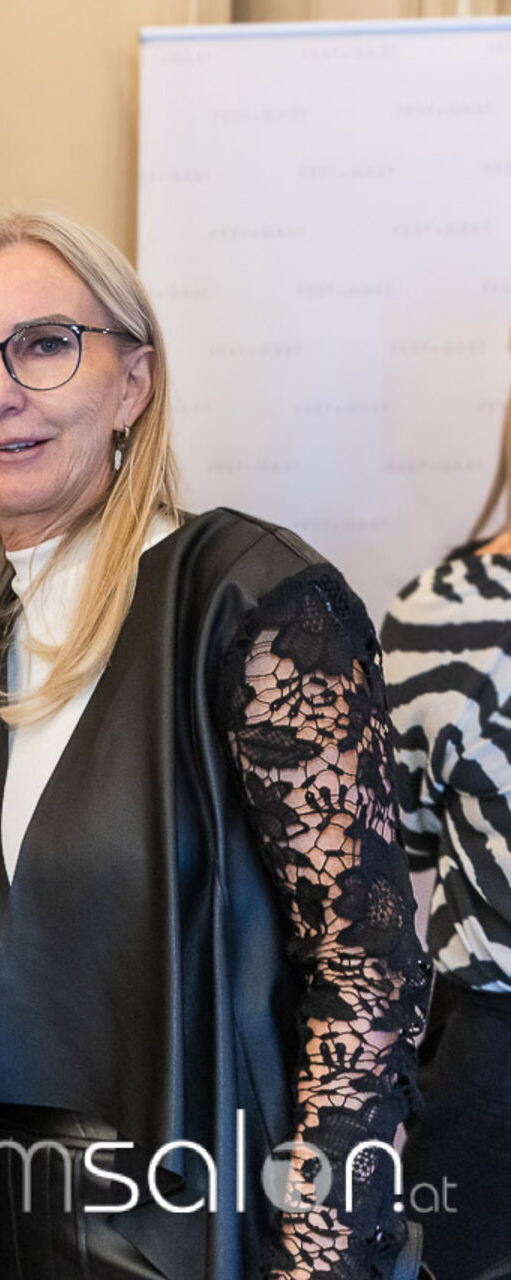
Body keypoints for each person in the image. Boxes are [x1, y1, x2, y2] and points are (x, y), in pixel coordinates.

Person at [0, 209, 430, 1279]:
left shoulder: (251, 598)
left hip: (212, 1232)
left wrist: (322, 1258)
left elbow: (367, 965)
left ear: (134, 382)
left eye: (45, 344)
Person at [385, 378, 511, 1280]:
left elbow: (415, 835)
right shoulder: (440, 617)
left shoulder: (442, 613)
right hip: (487, 1069)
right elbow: (404, 848)